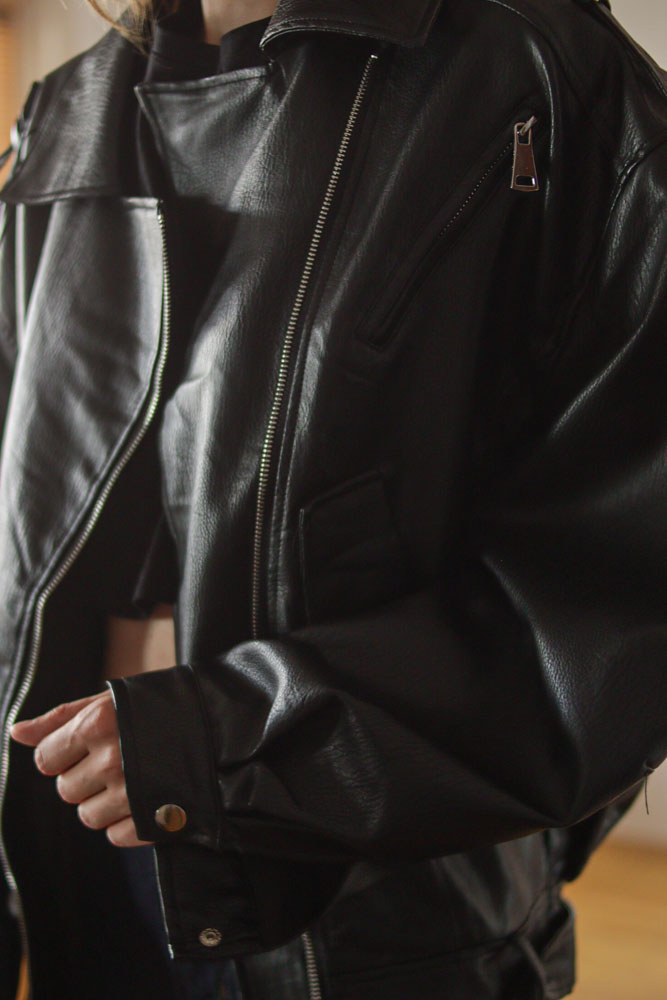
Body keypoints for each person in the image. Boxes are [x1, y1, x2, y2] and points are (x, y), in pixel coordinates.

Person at [0, 0, 665, 997]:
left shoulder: (537, 74)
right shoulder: (70, 106)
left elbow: (619, 599)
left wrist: (220, 743)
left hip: (372, 924)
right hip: (78, 869)